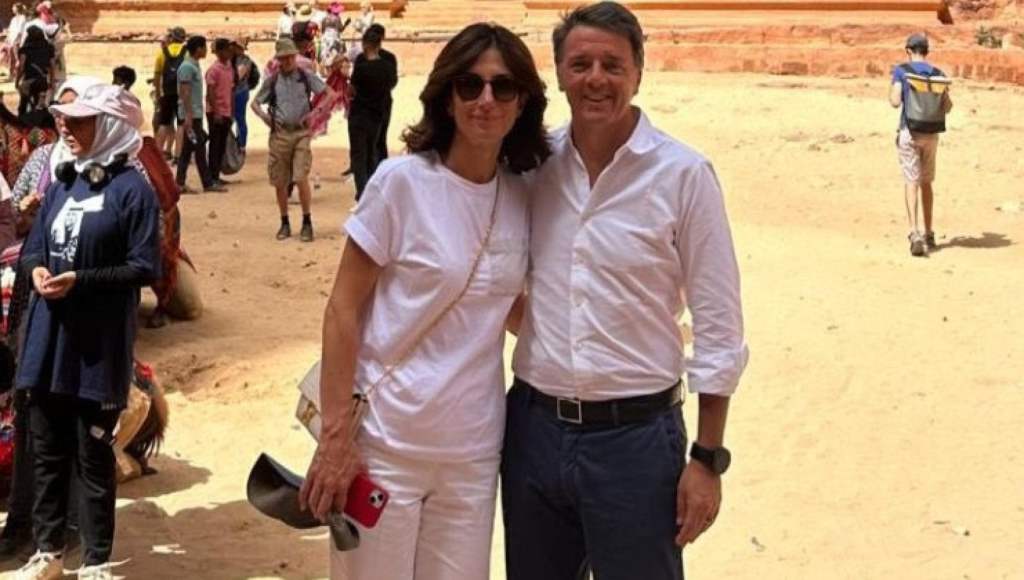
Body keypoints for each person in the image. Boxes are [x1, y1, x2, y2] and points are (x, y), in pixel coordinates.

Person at [501, 4, 749, 580]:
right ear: (559, 73)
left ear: (638, 72)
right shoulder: (533, 168)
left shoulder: (683, 175)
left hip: (636, 443)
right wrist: (553, 330)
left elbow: (719, 325)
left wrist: (707, 458)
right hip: (535, 431)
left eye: (612, 65)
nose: (596, 79)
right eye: (580, 64)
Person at [298, 22, 550, 580]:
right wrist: (336, 439)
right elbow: (343, 309)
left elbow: (501, 301)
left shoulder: (523, 195)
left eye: (503, 87)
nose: (486, 100)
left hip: (473, 453)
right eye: (470, 85)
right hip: (385, 445)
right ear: (447, 96)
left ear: (522, 102)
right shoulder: (401, 184)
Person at [13, 82, 159, 580]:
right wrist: (36, 268)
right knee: (47, 451)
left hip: (97, 346)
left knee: (93, 455)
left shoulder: (133, 192)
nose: (66, 129)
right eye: (64, 121)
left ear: (111, 126)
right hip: (48, 340)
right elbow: (34, 245)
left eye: (79, 122)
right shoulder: (62, 183)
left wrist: (82, 280)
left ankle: (97, 561)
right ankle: (48, 553)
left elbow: (144, 267)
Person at [251, 38, 334, 242]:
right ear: (278, 60)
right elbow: (255, 103)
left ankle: (306, 221)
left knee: (300, 176)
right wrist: (265, 118)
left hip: (301, 133)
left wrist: (316, 113)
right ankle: (284, 221)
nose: (287, 61)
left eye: (290, 57)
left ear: (295, 57)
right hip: (279, 134)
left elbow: (330, 94)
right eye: (283, 58)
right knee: (280, 180)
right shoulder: (272, 81)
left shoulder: (305, 77)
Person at [889, 33, 953, 257]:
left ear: (908, 50)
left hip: (910, 131)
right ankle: (929, 233)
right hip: (931, 134)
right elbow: (947, 107)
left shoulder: (902, 71)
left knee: (911, 182)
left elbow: (895, 101)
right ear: (926, 51)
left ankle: (914, 232)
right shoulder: (938, 74)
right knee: (927, 182)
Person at [347, 25, 396, 200]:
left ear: (366, 44)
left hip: (360, 113)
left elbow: (352, 90)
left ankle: (363, 192)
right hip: (378, 112)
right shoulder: (387, 64)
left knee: (359, 155)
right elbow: (392, 83)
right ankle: (376, 186)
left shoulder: (362, 65)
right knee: (374, 149)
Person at [175, 35, 224, 193]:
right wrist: (188, 115)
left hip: (194, 114)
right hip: (192, 115)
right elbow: (185, 92)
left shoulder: (193, 65)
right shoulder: (187, 67)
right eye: (204, 47)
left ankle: (180, 182)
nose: (206, 50)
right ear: (198, 49)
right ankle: (207, 183)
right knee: (199, 148)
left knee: (188, 150)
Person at [152, 27, 187, 161]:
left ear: (171, 38)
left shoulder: (162, 53)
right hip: (181, 94)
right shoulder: (187, 53)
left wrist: (158, 94)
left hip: (167, 93)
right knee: (181, 124)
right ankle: (178, 155)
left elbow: (157, 77)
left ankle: (157, 156)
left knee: (164, 123)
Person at [205, 37, 235, 188]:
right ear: (220, 52)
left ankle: (216, 174)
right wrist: (216, 112)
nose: (230, 53)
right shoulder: (214, 70)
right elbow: (210, 93)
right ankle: (212, 177)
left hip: (226, 111)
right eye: (227, 50)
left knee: (222, 145)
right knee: (215, 145)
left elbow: (230, 89)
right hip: (216, 112)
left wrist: (231, 110)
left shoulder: (229, 67)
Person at [368, 24, 396, 163]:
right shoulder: (389, 57)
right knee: (380, 138)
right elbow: (393, 81)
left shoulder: (364, 57)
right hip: (383, 100)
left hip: (369, 102)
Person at [14, 26, 53, 119]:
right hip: (42, 80)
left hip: (29, 81)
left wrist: (17, 81)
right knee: (39, 106)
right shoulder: (48, 48)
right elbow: (51, 67)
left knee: (23, 106)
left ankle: (22, 124)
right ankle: (38, 123)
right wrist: (50, 81)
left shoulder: (25, 49)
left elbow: (21, 67)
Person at [230, 37, 256, 153]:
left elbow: (239, 76)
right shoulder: (232, 59)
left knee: (240, 119)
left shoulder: (245, 61)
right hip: (235, 92)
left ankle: (241, 145)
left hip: (240, 92)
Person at [2, 4, 28, 79]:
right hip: (12, 40)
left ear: (17, 9)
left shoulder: (23, 18)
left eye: (14, 8)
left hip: (19, 41)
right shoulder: (13, 19)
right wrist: (8, 37)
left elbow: (20, 31)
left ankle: (18, 74)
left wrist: (15, 40)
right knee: (10, 56)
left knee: (17, 58)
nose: (12, 9)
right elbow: (11, 30)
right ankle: (11, 73)